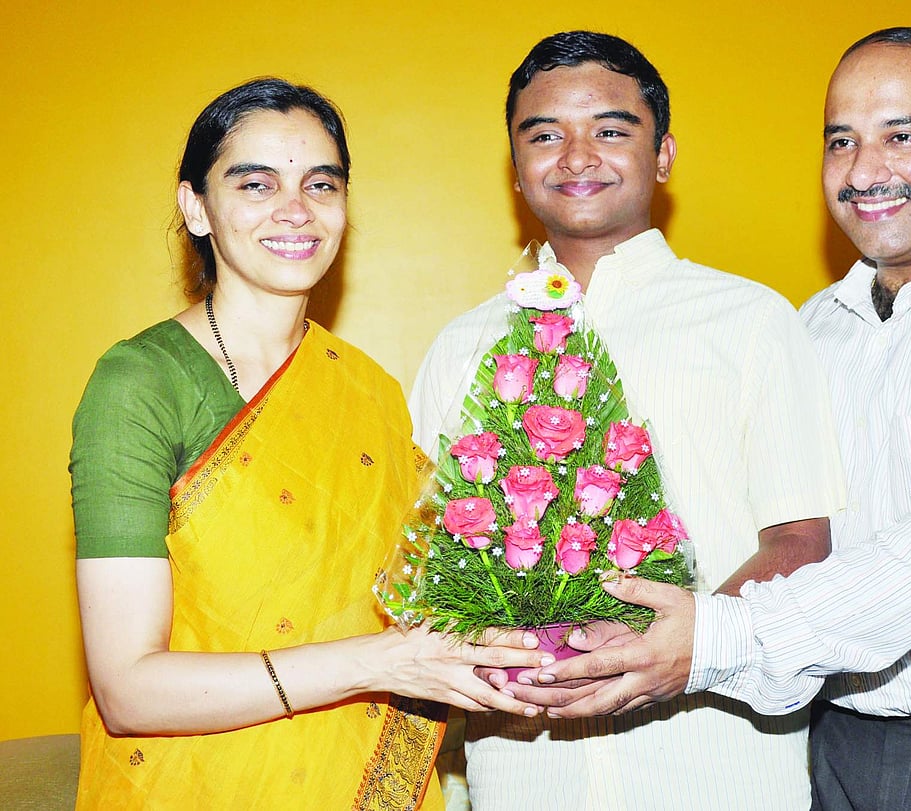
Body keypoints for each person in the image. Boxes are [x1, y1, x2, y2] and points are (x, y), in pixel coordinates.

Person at [531, 26, 911, 811]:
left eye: (902, 136)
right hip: (843, 746)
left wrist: (717, 637)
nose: (865, 171)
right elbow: (785, 535)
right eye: (841, 141)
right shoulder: (812, 327)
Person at [69, 78, 550, 810]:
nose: (295, 209)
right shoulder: (139, 384)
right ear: (195, 205)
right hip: (191, 786)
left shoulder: (370, 390)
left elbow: (417, 598)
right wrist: (382, 662)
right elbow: (128, 688)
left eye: (320, 183)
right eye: (255, 183)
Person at [410, 30, 845, 811]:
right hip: (523, 770)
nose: (577, 157)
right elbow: (429, 563)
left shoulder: (748, 320)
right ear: (515, 168)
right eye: (544, 136)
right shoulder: (463, 346)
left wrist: (681, 647)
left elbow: (800, 541)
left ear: (664, 156)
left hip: (720, 764)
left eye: (611, 130)